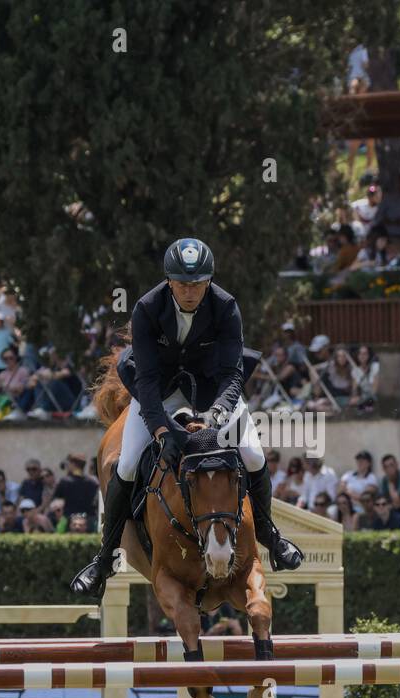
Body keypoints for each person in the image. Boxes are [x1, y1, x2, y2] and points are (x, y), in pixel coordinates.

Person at [71, 238, 302, 598]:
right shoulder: (148, 308)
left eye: (197, 283)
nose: (190, 291)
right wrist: (161, 428)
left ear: (208, 281)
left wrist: (217, 415)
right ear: (169, 281)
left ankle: (271, 536)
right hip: (158, 393)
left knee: (254, 456)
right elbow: (145, 381)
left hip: (214, 395)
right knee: (127, 463)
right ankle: (103, 560)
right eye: (182, 283)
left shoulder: (225, 306)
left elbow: (232, 374)